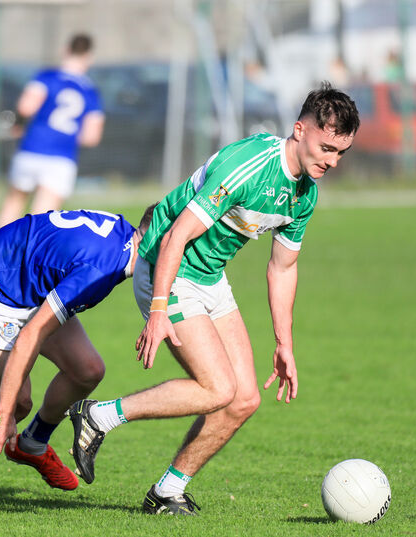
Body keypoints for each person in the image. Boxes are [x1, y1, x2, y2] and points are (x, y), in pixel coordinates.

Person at [66, 82, 360, 515]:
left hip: (209, 276)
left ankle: (167, 491)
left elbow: (283, 267)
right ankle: (98, 416)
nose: (331, 161)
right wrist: (159, 309)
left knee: (243, 399)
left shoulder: (303, 196)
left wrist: (284, 344)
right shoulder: (248, 166)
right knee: (217, 387)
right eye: (326, 147)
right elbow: (176, 235)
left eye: (340, 153)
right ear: (300, 129)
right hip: (167, 264)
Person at [0, 205, 155, 504]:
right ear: (154, 243)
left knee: (87, 370)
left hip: (29, 285)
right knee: (15, 402)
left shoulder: (126, 238)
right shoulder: (102, 268)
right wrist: (3, 411)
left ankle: (32, 443)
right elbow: (31, 334)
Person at [0, 33, 104, 228]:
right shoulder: (90, 91)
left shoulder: (47, 76)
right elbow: (91, 137)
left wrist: (20, 125)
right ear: (89, 57)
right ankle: (28, 257)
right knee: (41, 219)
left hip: (32, 148)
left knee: (14, 202)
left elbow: (26, 107)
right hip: (61, 158)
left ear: (66, 50)